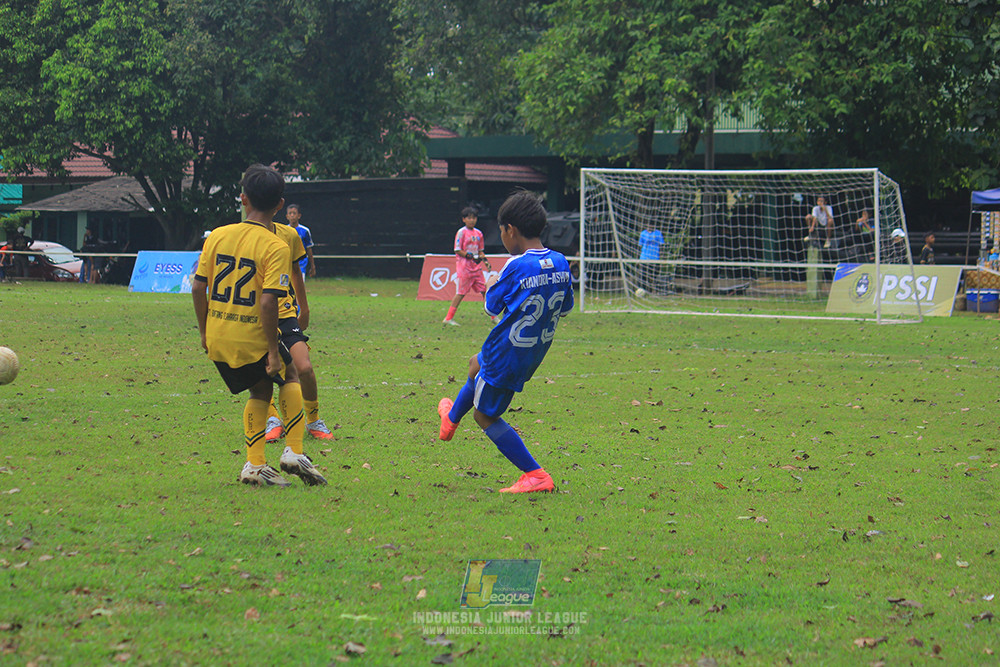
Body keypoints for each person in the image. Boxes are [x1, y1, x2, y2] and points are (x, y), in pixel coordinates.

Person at [192, 164, 326, 487]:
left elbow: (198, 287)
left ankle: (255, 465)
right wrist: (273, 352)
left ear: (243, 199)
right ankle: (294, 452)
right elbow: (268, 302)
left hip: (218, 335)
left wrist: (204, 332)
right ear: (280, 205)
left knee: (260, 388)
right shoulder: (275, 245)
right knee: (290, 374)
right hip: (250, 333)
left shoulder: (217, 235)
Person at [436, 191, 574, 494]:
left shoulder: (516, 265)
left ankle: (536, 475)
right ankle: (449, 421)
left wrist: (492, 282)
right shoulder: (561, 261)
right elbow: (565, 308)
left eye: (500, 230)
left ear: (510, 230)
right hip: (532, 350)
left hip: (507, 352)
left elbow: (491, 306)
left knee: (484, 414)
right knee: (475, 364)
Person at [264, 218, 336, 444]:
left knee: (304, 367)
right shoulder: (241, 235)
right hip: (255, 313)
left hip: (285, 312)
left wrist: (304, 308)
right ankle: (272, 419)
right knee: (263, 370)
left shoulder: (289, 235)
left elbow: (296, 271)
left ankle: (313, 420)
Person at [442, 206, 487, 326]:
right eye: (469, 218)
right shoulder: (461, 232)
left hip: (476, 268)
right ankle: (448, 318)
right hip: (464, 268)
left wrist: (482, 258)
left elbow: (480, 250)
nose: (472, 220)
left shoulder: (479, 233)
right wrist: (469, 255)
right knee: (461, 293)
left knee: (484, 290)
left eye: (474, 218)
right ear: (464, 219)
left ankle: (493, 316)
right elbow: (457, 249)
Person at [285, 204, 316, 278]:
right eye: (290, 213)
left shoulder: (305, 231)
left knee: (299, 284)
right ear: (287, 216)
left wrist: (312, 266)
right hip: (287, 264)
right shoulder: (284, 230)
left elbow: (309, 248)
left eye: (294, 213)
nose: (292, 215)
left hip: (301, 265)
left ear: (299, 216)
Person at [638, 221, 664, 293]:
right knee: (643, 275)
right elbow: (640, 245)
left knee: (653, 275)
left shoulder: (658, 233)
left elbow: (662, 245)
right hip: (644, 257)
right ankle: (643, 290)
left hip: (655, 258)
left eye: (652, 225)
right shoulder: (643, 233)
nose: (650, 227)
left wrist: (661, 256)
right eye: (649, 225)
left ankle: (653, 290)